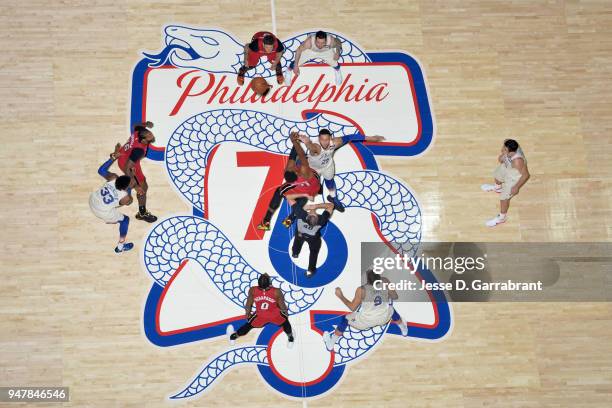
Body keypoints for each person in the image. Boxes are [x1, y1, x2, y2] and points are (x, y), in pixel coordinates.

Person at [298, 129, 385, 212]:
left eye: (327, 139)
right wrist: (307, 142)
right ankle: (316, 185)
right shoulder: (317, 147)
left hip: (327, 165)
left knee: (330, 181)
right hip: (313, 168)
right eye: (322, 139)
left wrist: (370, 138)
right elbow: (312, 147)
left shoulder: (335, 142)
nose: (325, 142)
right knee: (309, 185)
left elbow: (349, 137)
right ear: (319, 138)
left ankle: (333, 197)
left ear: (330, 138)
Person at [323, 269, 408, 351]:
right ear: (379, 277)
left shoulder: (362, 290)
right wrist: (384, 294)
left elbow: (352, 308)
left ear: (367, 280)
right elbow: (395, 297)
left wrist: (340, 296)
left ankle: (330, 344)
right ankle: (404, 329)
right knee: (391, 309)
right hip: (383, 318)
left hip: (366, 321)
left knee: (345, 319)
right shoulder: (385, 281)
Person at [257, 131, 321, 231]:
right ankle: (289, 219)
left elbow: (296, 155)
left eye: (293, 168)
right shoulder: (303, 170)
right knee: (302, 197)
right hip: (313, 185)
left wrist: (295, 142)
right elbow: (298, 155)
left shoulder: (298, 173)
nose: (293, 167)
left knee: (280, 192)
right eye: (293, 168)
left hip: (310, 185)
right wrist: (295, 142)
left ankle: (266, 221)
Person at [226, 273, 294, 348]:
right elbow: (282, 306)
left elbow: (248, 304)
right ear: (269, 282)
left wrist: (247, 313)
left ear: (258, 283)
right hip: (275, 315)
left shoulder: (253, 290)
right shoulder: (276, 291)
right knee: (285, 322)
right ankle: (290, 337)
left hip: (260, 316)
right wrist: (285, 315)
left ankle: (233, 337)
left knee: (248, 325)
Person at [89, 144, 135, 253]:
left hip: (93, 200)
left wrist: (113, 157)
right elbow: (129, 202)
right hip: (101, 212)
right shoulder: (125, 197)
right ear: (125, 187)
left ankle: (112, 219)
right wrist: (131, 187)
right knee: (125, 220)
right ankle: (120, 247)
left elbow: (100, 170)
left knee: (114, 206)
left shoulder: (113, 178)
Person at [480, 139, 530, 227]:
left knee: (504, 199)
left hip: (514, 177)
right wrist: (502, 156)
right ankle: (497, 188)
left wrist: (517, 187)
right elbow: (502, 157)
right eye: (503, 147)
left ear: (511, 152)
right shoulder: (509, 147)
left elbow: (526, 175)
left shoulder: (518, 161)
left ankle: (501, 218)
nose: (502, 149)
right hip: (508, 167)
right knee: (497, 174)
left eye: (505, 149)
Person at [117, 121, 158, 223]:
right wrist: (135, 185)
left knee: (142, 183)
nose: (151, 134)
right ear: (144, 140)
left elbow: (135, 125)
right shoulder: (138, 151)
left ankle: (126, 188)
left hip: (125, 155)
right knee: (143, 187)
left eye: (149, 132)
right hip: (127, 162)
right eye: (149, 135)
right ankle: (142, 213)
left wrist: (145, 124)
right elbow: (128, 168)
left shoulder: (139, 132)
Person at [291, 198, 335, 277]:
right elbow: (331, 205)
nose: (313, 211)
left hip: (300, 234)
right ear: (318, 217)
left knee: (297, 242)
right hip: (313, 239)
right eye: (315, 213)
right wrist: (317, 206)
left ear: (307, 217)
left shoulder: (301, 215)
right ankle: (311, 270)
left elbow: (291, 201)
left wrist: (308, 207)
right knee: (314, 253)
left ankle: (295, 253)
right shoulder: (322, 220)